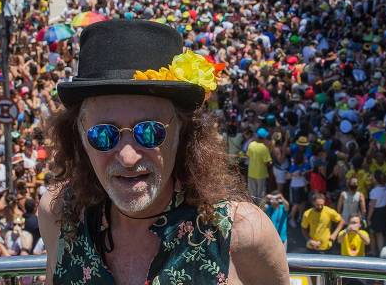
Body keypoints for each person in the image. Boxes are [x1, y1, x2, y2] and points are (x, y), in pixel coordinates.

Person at [38, 20, 288, 284]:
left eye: (149, 132)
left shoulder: (243, 234)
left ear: (182, 132)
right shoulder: (58, 214)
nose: (127, 157)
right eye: (103, 134)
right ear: (79, 134)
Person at [246, 128, 272, 202]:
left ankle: (253, 208)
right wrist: (270, 162)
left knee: (252, 194)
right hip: (261, 174)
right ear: (264, 138)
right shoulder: (264, 148)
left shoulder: (251, 145)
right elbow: (267, 163)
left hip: (251, 173)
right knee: (260, 195)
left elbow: (248, 155)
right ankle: (260, 210)